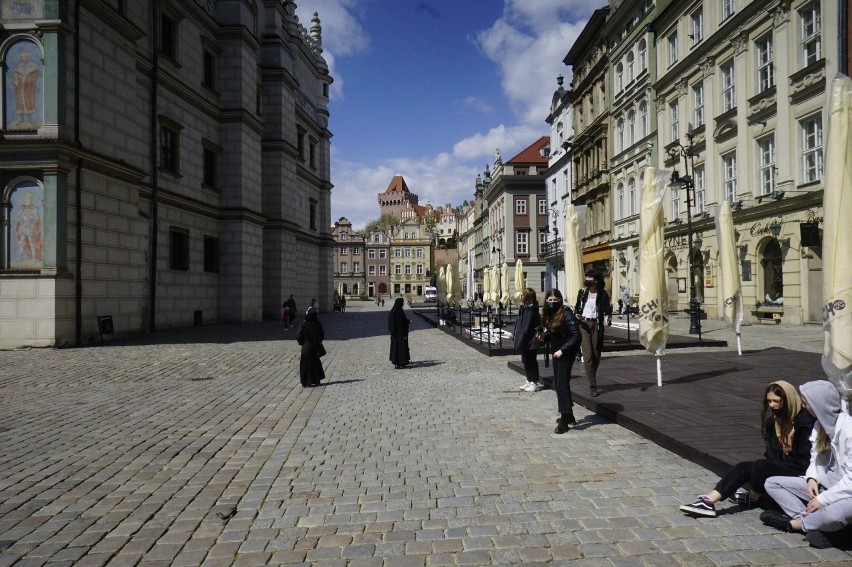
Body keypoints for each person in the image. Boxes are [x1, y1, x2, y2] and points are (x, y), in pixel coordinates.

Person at [679, 380, 815, 518]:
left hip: (802, 473)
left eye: (776, 401)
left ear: (788, 400)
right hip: (780, 467)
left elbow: (804, 459)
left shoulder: (804, 422)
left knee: (761, 467)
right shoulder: (773, 423)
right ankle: (708, 502)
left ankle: (754, 497)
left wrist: (764, 473)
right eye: (769, 401)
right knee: (744, 467)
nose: (772, 405)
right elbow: (771, 453)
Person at [761, 380, 852, 549]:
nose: (803, 407)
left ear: (819, 405)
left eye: (806, 403)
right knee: (772, 483)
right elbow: (814, 459)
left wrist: (823, 499)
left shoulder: (848, 431)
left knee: (834, 513)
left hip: (846, 493)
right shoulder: (819, 426)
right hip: (825, 487)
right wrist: (812, 478)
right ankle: (812, 524)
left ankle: (796, 524)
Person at [537, 289, 581, 434]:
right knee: (561, 383)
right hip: (557, 353)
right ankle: (569, 415)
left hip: (565, 353)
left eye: (555, 300)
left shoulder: (566, 313)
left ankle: (564, 420)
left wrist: (562, 350)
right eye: (549, 300)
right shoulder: (551, 314)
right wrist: (545, 336)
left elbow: (575, 336)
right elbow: (556, 332)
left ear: (560, 300)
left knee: (561, 384)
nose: (552, 302)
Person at [574, 269, 612, 397]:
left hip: (597, 325)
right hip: (584, 324)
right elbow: (577, 308)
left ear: (595, 280)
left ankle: (591, 375)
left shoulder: (602, 294)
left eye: (589, 277)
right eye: (586, 277)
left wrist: (609, 316)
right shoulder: (583, 293)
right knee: (588, 355)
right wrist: (577, 315)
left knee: (596, 354)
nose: (586, 279)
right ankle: (593, 385)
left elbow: (607, 309)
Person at [513, 288, 542, 392]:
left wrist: (520, 341)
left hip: (530, 340)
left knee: (531, 361)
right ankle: (529, 380)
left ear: (526, 297)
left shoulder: (530, 311)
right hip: (526, 339)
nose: (520, 296)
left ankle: (534, 382)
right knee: (525, 360)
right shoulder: (524, 309)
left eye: (522, 295)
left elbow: (525, 328)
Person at [296, 307, 325, 387]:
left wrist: (302, 343)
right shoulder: (317, 323)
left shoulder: (303, 324)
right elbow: (322, 335)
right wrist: (318, 341)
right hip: (315, 348)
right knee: (315, 365)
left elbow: (298, 336)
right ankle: (316, 380)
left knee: (305, 366)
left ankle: (306, 382)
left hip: (306, 348)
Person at [388, 298, 411, 369]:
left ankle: (396, 362)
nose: (403, 304)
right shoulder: (400, 311)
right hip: (400, 334)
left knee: (395, 349)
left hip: (394, 334)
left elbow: (391, 324)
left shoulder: (392, 311)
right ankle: (401, 363)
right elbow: (401, 323)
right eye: (402, 303)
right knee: (401, 349)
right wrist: (408, 322)